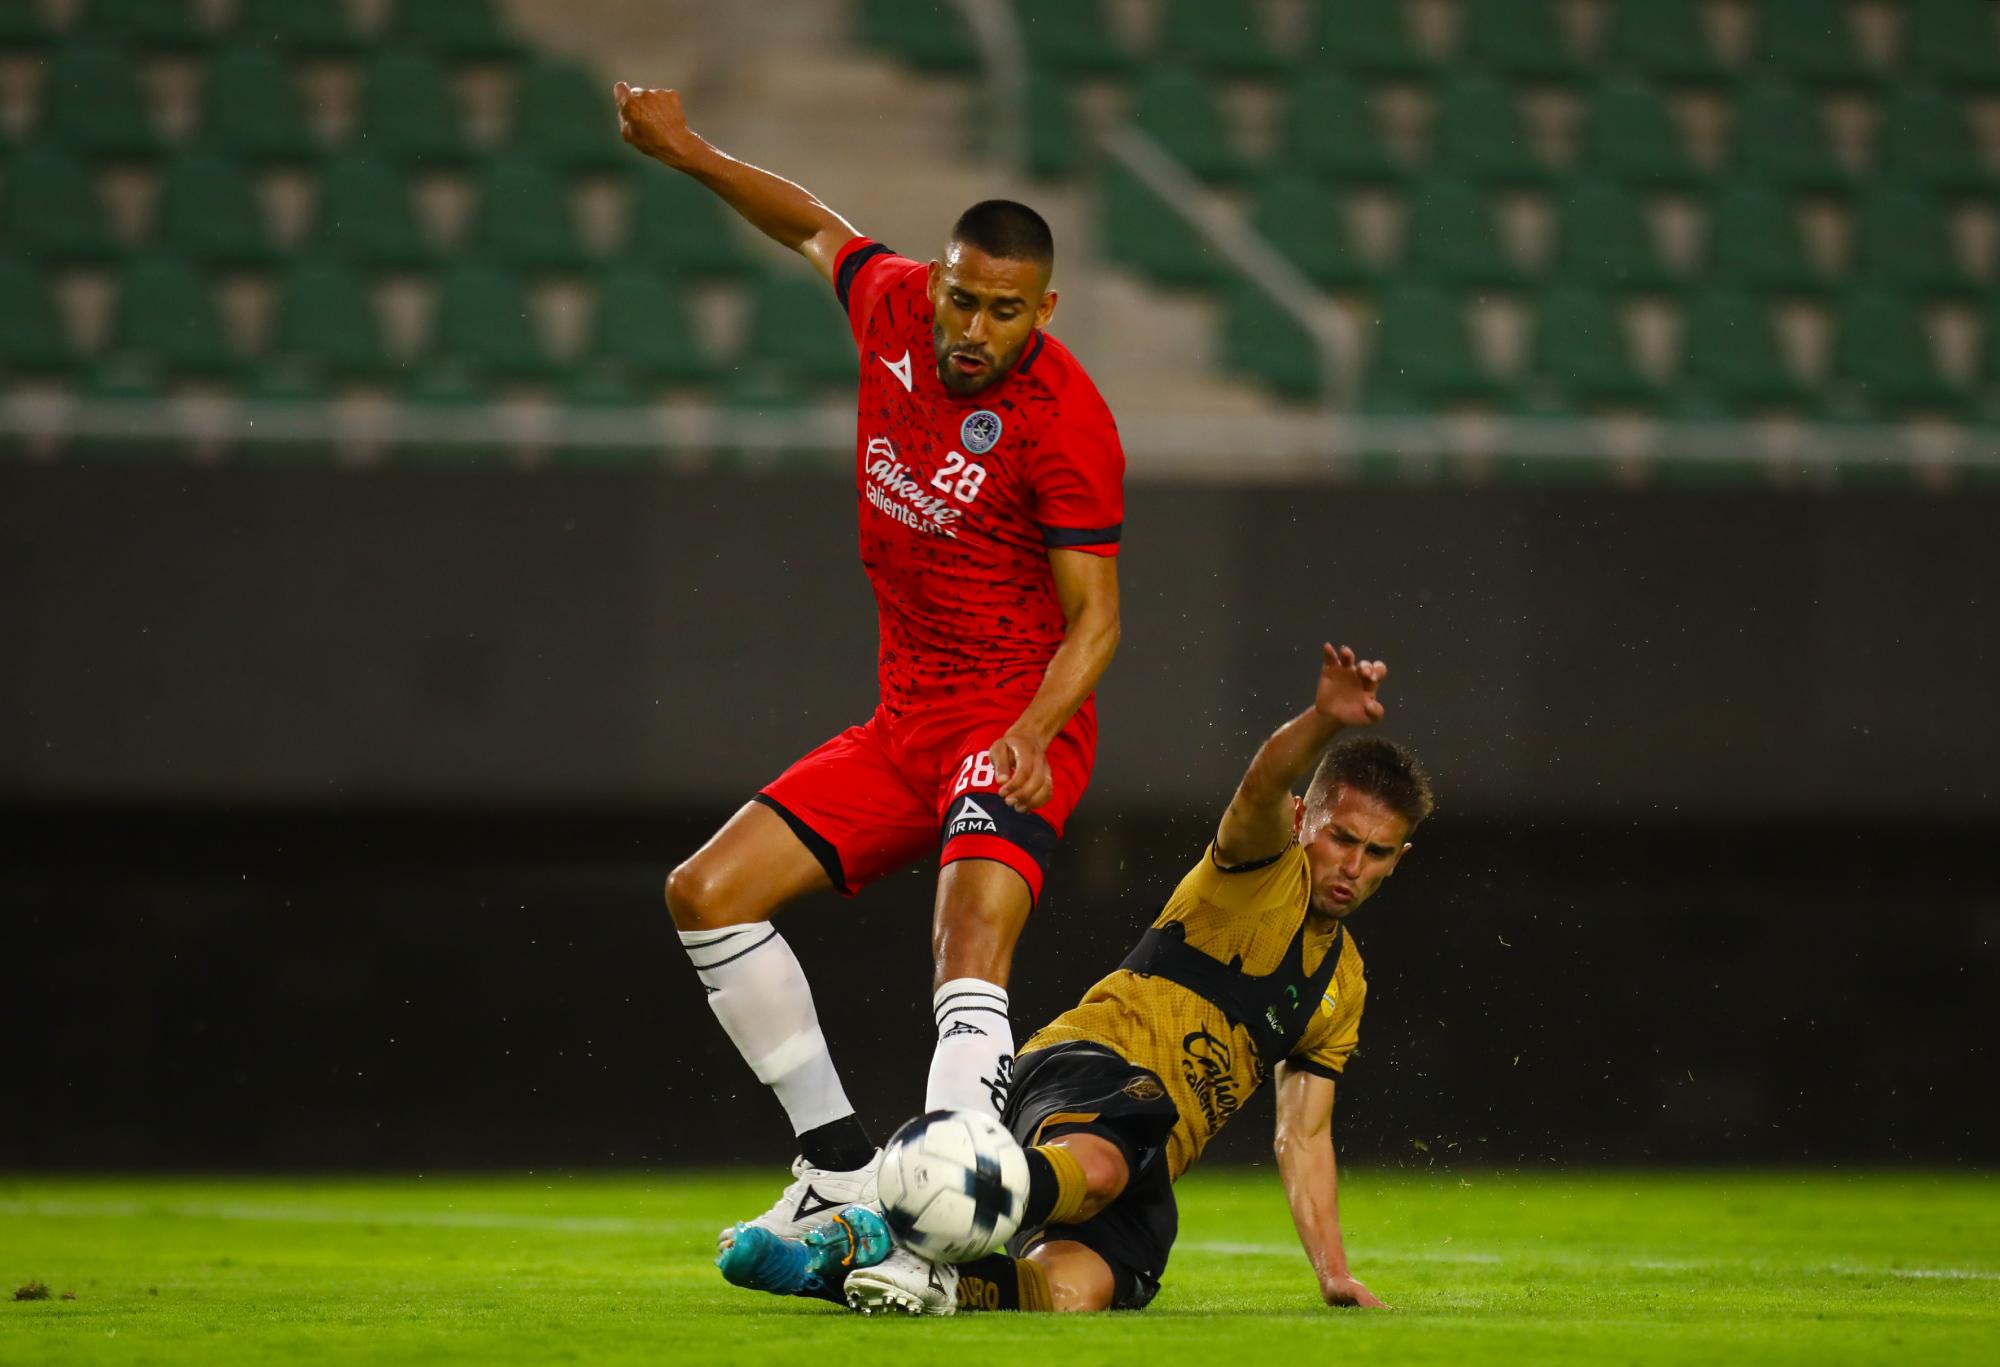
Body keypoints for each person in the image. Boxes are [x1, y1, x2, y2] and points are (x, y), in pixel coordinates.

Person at [613, 85, 1126, 1250]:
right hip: (904, 726)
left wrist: (1035, 734)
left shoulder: (1067, 423)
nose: (972, 328)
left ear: (1042, 308)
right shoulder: (892, 309)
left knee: (965, 938)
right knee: (705, 893)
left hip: (1010, 722)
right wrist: (688, 149)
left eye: (1003, 310)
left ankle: (949, 1226)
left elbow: (1094, 621)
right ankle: (838, 1168)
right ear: (936, 281)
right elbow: (808, 224)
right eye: (961, 298)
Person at [717, 643, 1431, 1313]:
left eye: (1376, 851)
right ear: (1305, 819)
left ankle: (838, 1268)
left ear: (1399, 857)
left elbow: (1303, 1135)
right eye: (1341, 837)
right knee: (1100, 1168)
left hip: (1149, 1143)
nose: (1352, 866)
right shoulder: (1261, 868)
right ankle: (892, 1210)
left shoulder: (1346, 988)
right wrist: (1321, 721)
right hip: (1089, 1068)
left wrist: (1333, 1273)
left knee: (1069, 1291)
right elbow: (1264, 780)